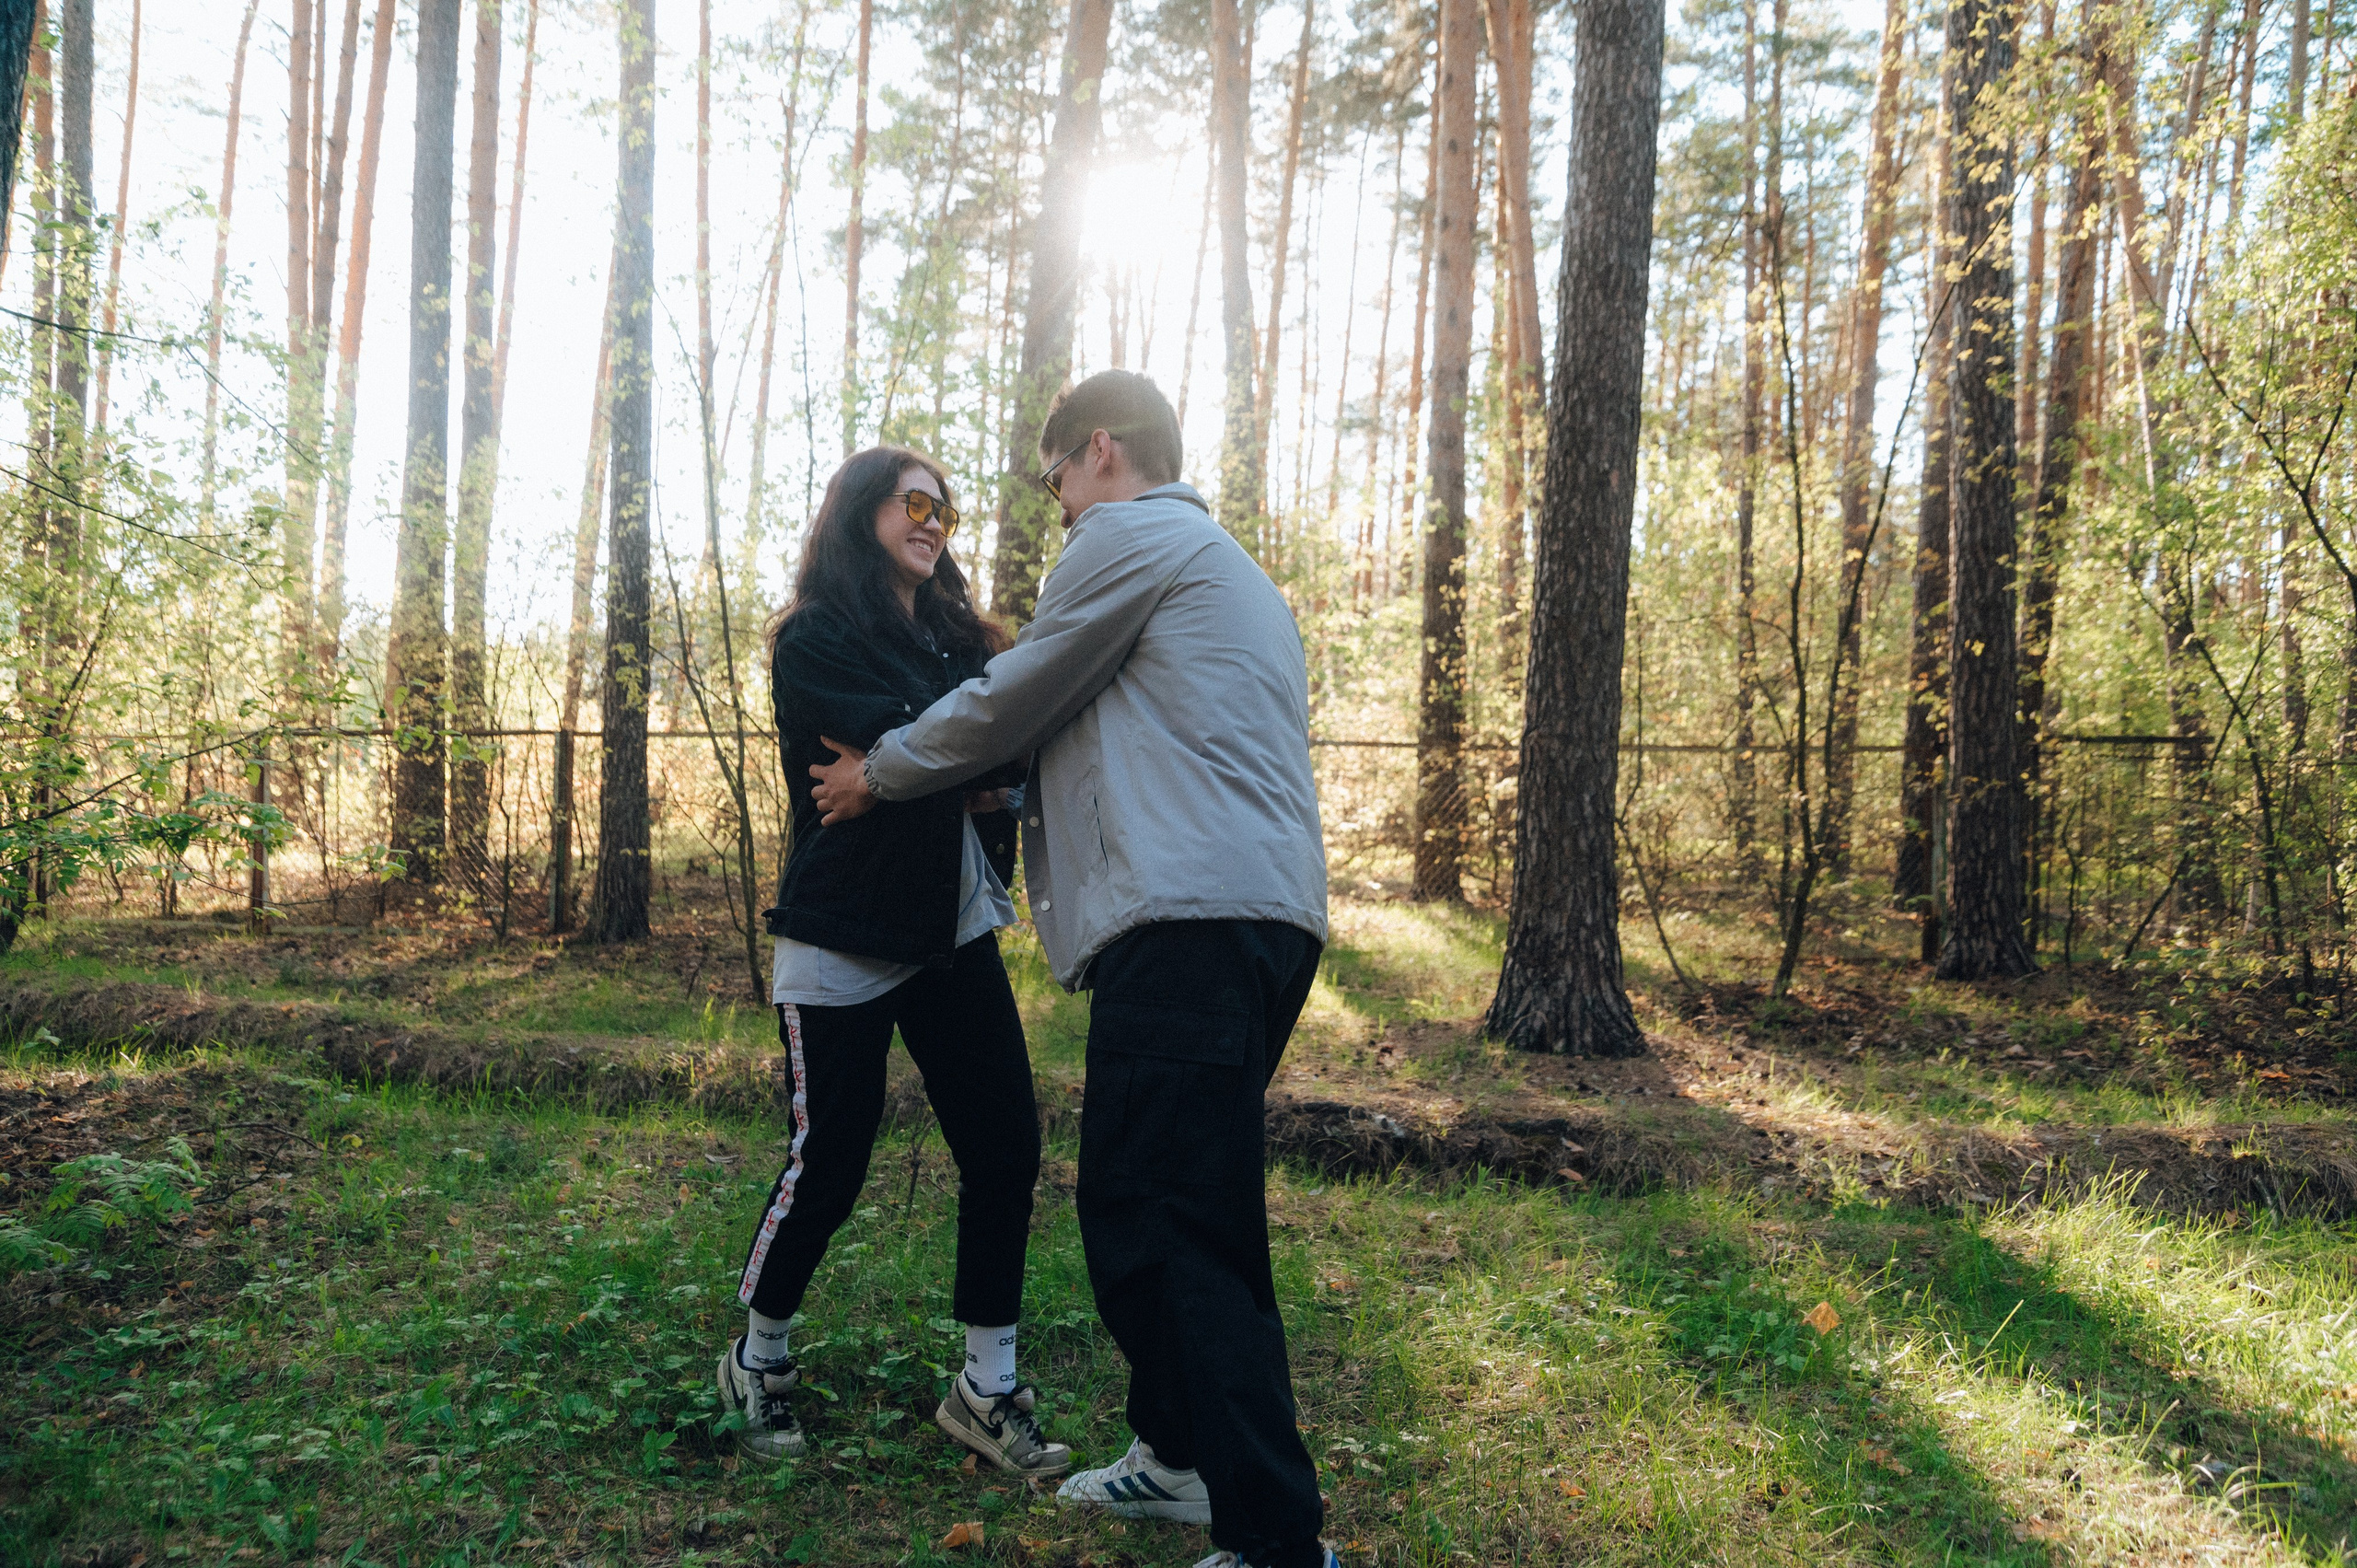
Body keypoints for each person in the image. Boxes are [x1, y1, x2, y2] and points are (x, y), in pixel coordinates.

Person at [807, 373, 1337, 1568]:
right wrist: (1003, 786)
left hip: (1192, 922)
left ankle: (1271, 1536)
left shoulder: (1131, 534)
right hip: (1247, 914)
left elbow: (1015, 692)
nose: (1056, 506)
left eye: (1054, 480)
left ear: (1099, 450)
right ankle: (1176, 1459)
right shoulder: (1214, 564)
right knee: (1182, 1206)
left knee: (1169, 1225)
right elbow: (1113, 732)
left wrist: (881, 770)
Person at [717, 445, 1070, 1481]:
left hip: (950, 928)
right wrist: (937, 762)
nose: (932, 521)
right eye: (913, 502)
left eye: (944, 510)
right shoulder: (815, 637)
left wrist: (913, 771)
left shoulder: (964, 636)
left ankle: (985, 1384)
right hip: (843, 929)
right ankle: (759, 1353)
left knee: (1005, 1146)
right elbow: (904, 736)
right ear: (862, 511)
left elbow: (995, 741)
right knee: (830, 1160)